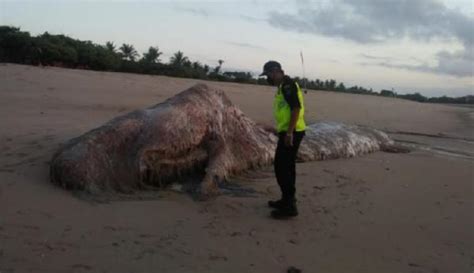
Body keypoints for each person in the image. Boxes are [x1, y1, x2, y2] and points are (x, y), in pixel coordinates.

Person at [259, 60, 306, 219]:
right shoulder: (281, 87)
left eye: (268, 75)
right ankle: (287, 200)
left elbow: (296, 109)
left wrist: (289, 133)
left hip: (293, 133)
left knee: (282, 167)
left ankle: (290, 207)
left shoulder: (287, 85)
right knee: (286, 167)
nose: (268, 78)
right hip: (288, 131)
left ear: (275, 72)